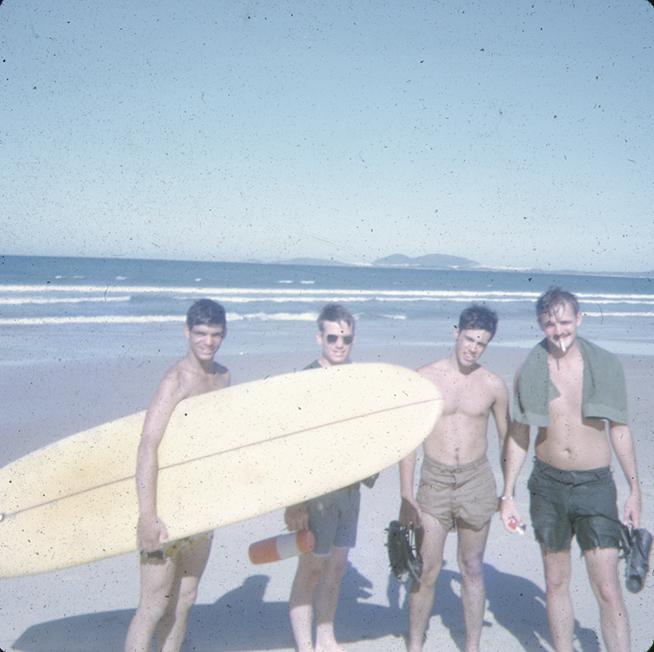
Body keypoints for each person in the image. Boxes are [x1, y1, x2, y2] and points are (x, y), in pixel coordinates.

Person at [500, 287, 641, 652]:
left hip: (595, 486)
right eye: (550, 324)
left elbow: (620, 429)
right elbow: (519, 434)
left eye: (565, 322)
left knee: (607, 587)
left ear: (579, 318)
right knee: (556, 582)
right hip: (547, 485)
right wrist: (507, 495)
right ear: (540, 324)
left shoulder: (605, 365)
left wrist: (634, 490)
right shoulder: (529, 369)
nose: (559, 331)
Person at [399, 305, 509, 652]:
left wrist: (509, 494)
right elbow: (408, 443)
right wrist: (406, 496)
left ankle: (472, 647)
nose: (473, 348)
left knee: (472, 568)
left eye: (481, 343)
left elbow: (508, 442)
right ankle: (414, 646)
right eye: (469, 339)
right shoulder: (424, 379)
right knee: (427, 569)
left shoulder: (493, 385)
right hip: (435, 481)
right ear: (456, 332)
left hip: (477, 481)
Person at [125, 299, 230, 652]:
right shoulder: (176, 380)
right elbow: (147, 444)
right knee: (153, 606)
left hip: (201, 507)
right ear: (186, 332)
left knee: (185, 598)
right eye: (200, 333)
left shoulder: (224, 378)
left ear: (223, 335)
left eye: (215, 334)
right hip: (167, 507)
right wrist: (147, 516)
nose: (208, 341)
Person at [284, 303, 366, 652]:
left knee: (337, 567)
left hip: (349, 491)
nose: (339, 345)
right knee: (311, 569)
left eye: (346, 339)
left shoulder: (359, 379)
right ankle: (305, 645)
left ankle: (326, 636)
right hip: (315, 494)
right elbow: (290, 444)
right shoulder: (304, 380)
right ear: (320, 338)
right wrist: (294, 503)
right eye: (333, 338)